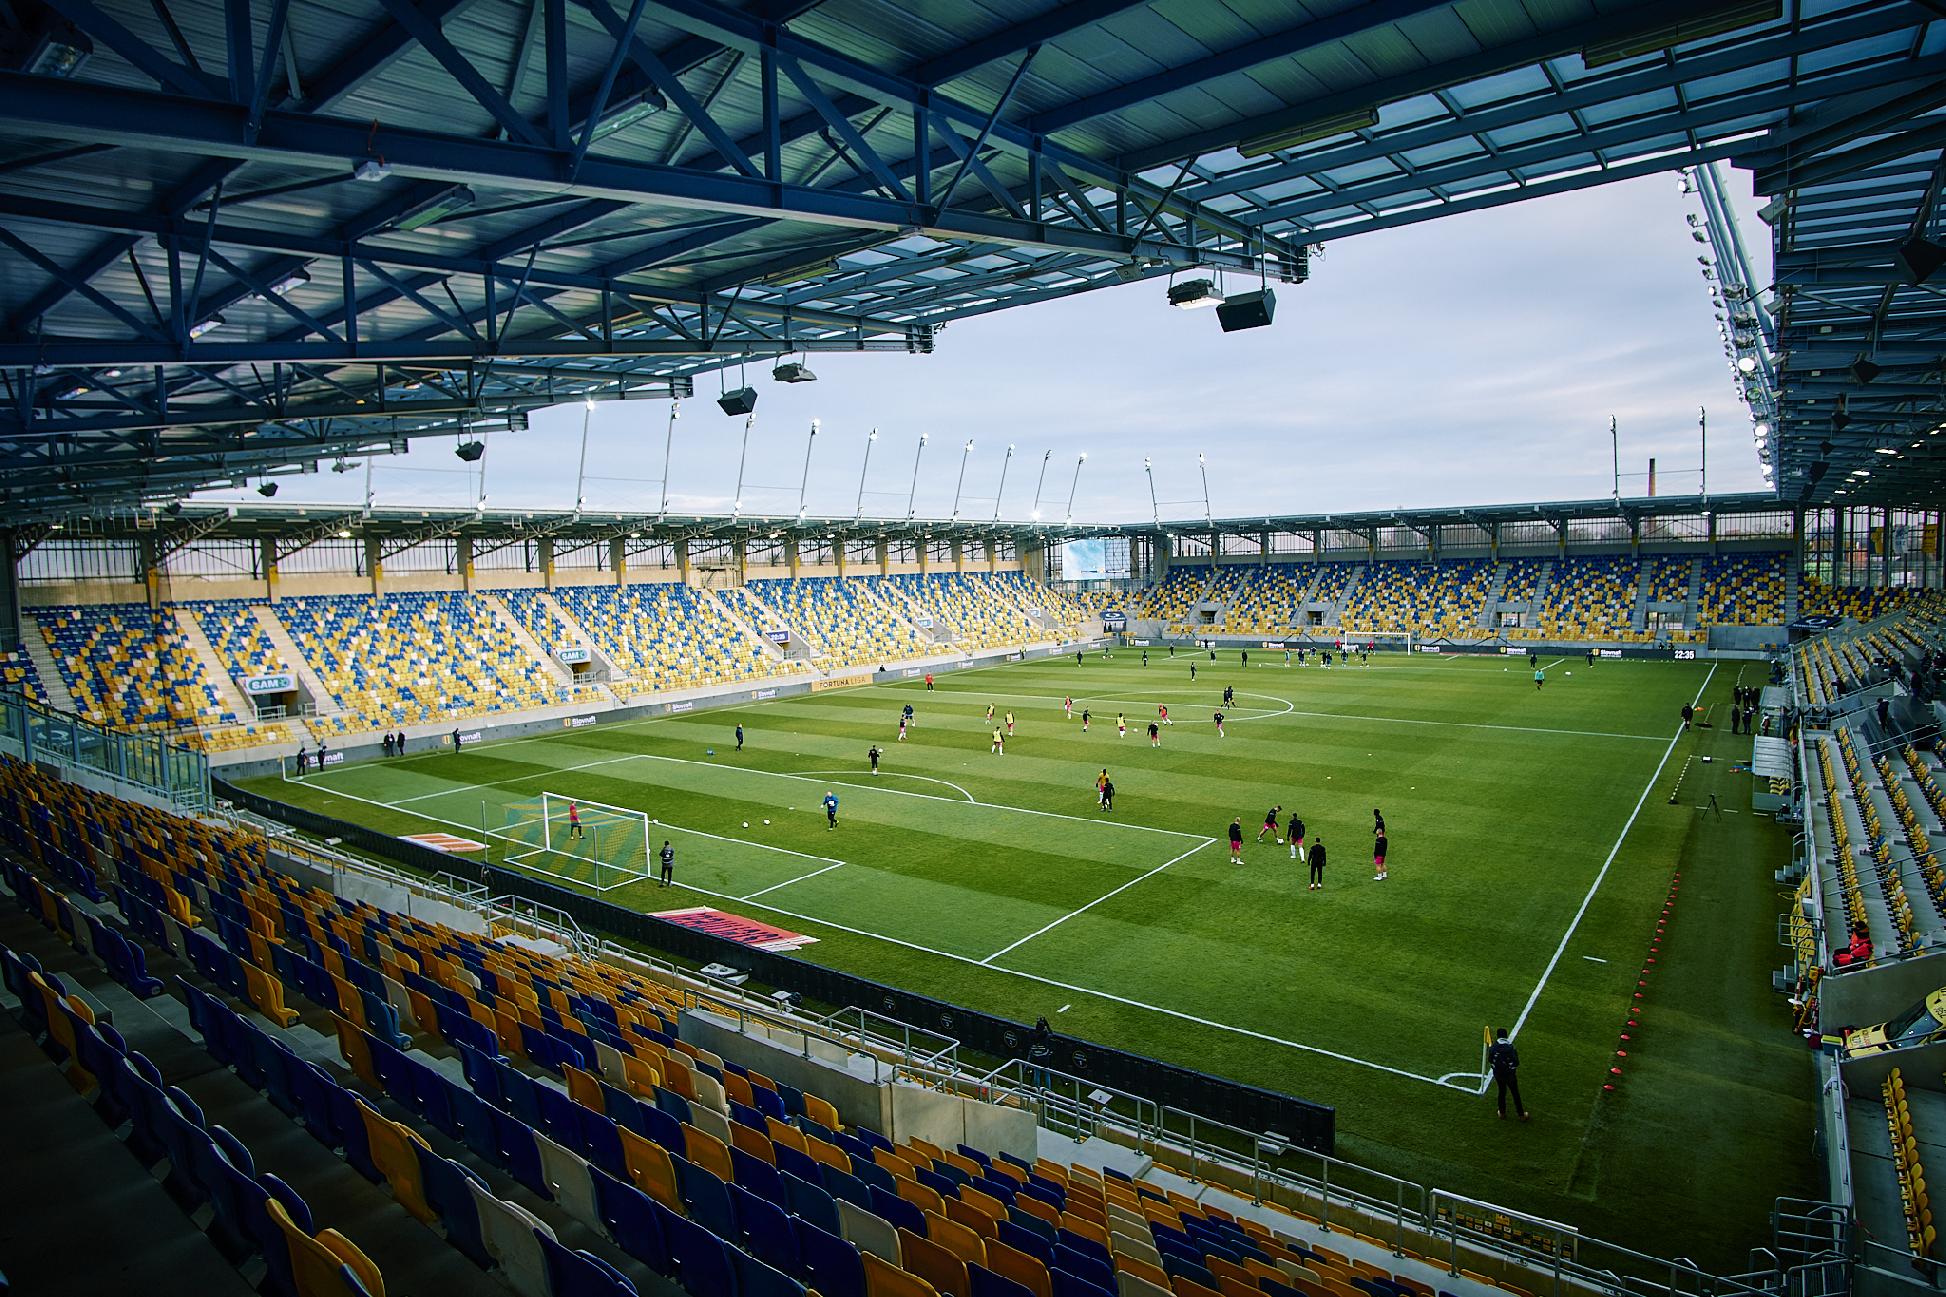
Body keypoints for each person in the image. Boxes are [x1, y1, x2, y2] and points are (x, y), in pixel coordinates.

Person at [1487, 1028, 1528, 1120]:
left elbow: (1490, 1059)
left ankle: (1502, 1113)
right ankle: (1521, 1115)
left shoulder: (1494, 1047)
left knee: (1502, 1092)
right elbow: (1516, 1062)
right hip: (1510, 1075)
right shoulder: (1510, 1047)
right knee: (1515, 1093)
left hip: (1498, 1074)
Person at [1026, 1016, 1054, 1088]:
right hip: (1044, 1058)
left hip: (1035, 1057)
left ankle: (1037, 1089)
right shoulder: (1045, 1036)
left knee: (1037, 1073)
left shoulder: (1032, 1034)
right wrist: (1047, 1025)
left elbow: (1031, 1032)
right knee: (1047, 1074)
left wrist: (1039, 1025)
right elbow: (1052, 1033)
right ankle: (1048, 1090)